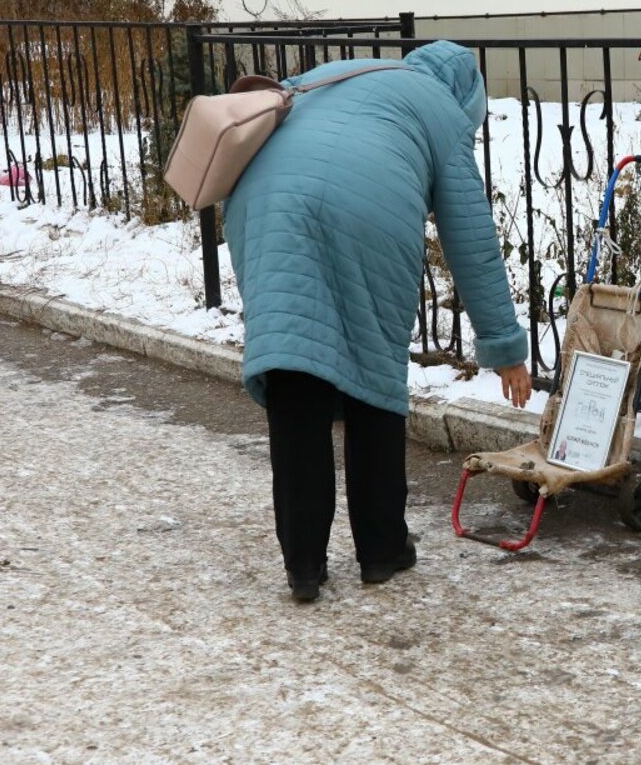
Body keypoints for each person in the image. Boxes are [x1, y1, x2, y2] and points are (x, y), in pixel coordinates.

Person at [224, 41, 532, 603]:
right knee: (373, 379)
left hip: (263, 206)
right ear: (467, 97)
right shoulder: (440, 108)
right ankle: (382, 549)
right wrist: (504, 345)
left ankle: (303, 565)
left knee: (298, 371)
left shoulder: (333, 73)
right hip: (363, 217)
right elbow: (472, 240)